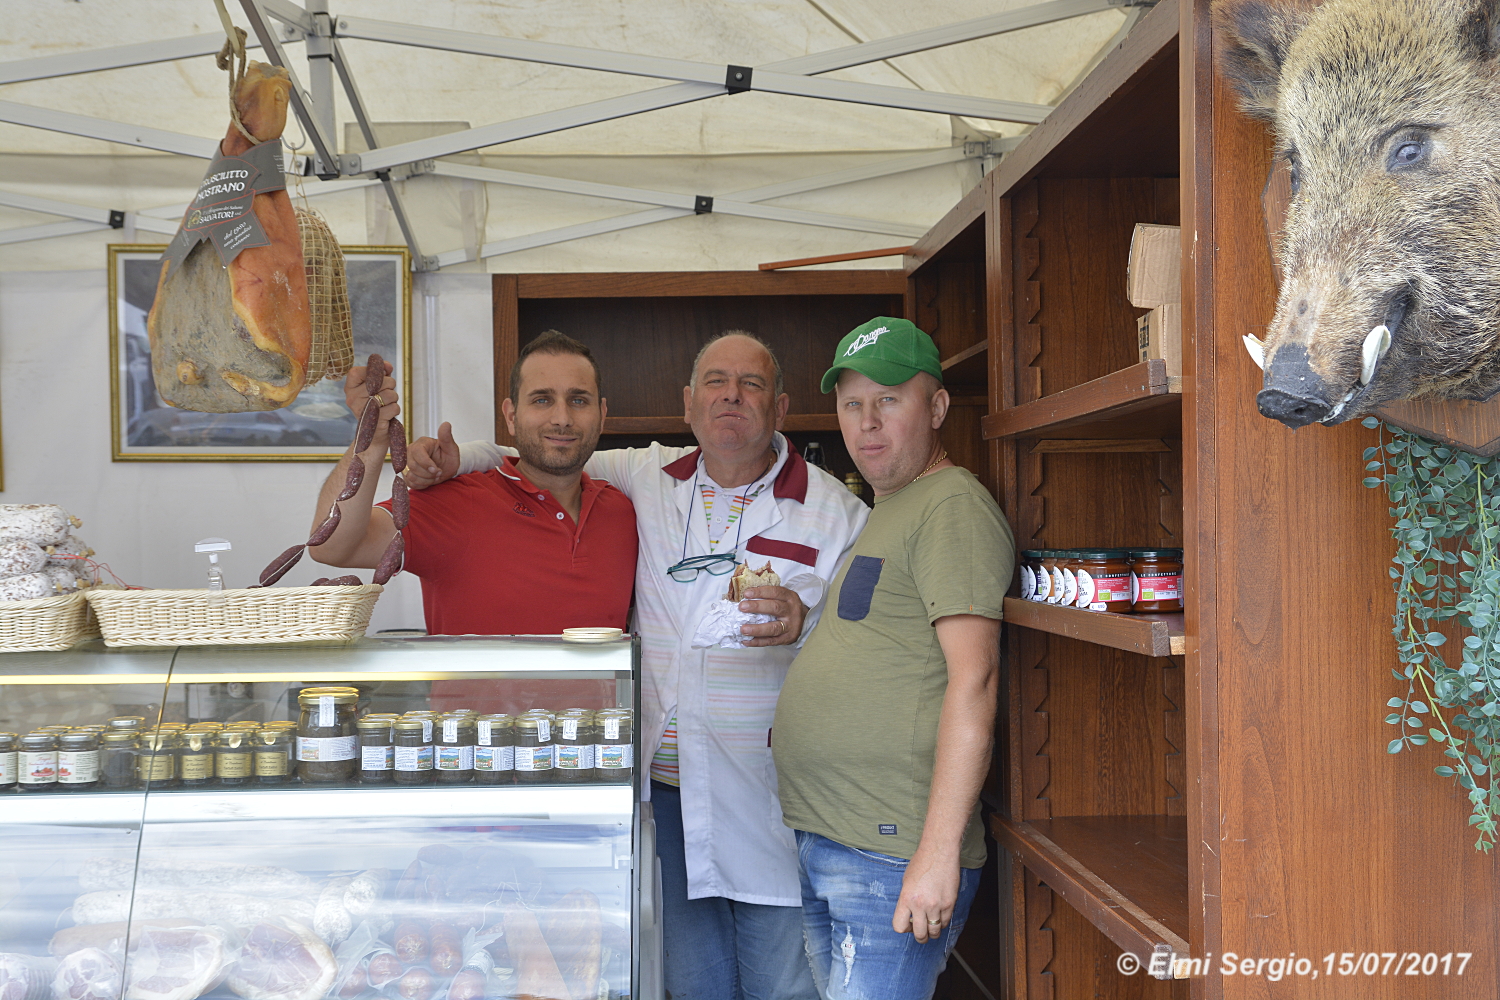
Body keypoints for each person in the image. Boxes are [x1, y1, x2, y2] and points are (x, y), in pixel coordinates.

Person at [406, 331, 868, 1000]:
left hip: (773, 802)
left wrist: (807, 620)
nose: (730, 396)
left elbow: (867, 645)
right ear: (687, 402)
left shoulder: (837, 512)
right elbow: (541, 452)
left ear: (782, 407)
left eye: (751, 383)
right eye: (714, 381)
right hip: (666, 804)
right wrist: (453, 459)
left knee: (782, 987)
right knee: (693, 987)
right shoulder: (646, 475)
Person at [772, 317, 1015, 1000]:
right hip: (838, 840)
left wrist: (936, 855)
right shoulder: (893, 506)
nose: (867, 422)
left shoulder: (951, 507)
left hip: (892, 853)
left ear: (935, 407)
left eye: (889, 400)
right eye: (853, 404)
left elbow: (977, 679)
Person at [307, 331, 638, 642]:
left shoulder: (625, 512)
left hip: (606, 708)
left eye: (579, 400)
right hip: (473, 708)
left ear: (602, 414)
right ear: (511, 415)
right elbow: (331, 546)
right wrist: (373, 440)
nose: (562, 418)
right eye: (541, 400)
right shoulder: (453, 500)